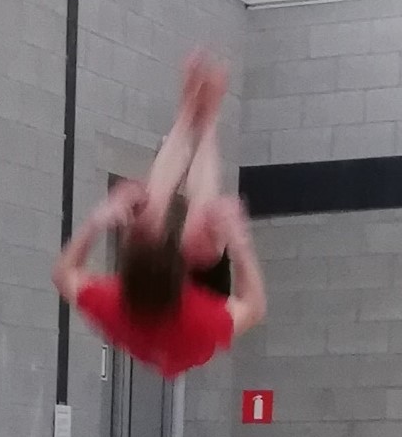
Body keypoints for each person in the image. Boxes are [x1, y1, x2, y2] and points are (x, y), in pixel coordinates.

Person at [53, 51, 267, 380]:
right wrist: (238, 243)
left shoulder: (113, 302)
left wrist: (98, 219)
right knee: (200, 229)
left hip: (152, 317)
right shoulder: (201, 316)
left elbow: (64, 273)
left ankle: (186, 113)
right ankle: (208, 121)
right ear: (180, 270)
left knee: (151, 208)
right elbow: (253, 307)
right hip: (189, 334)